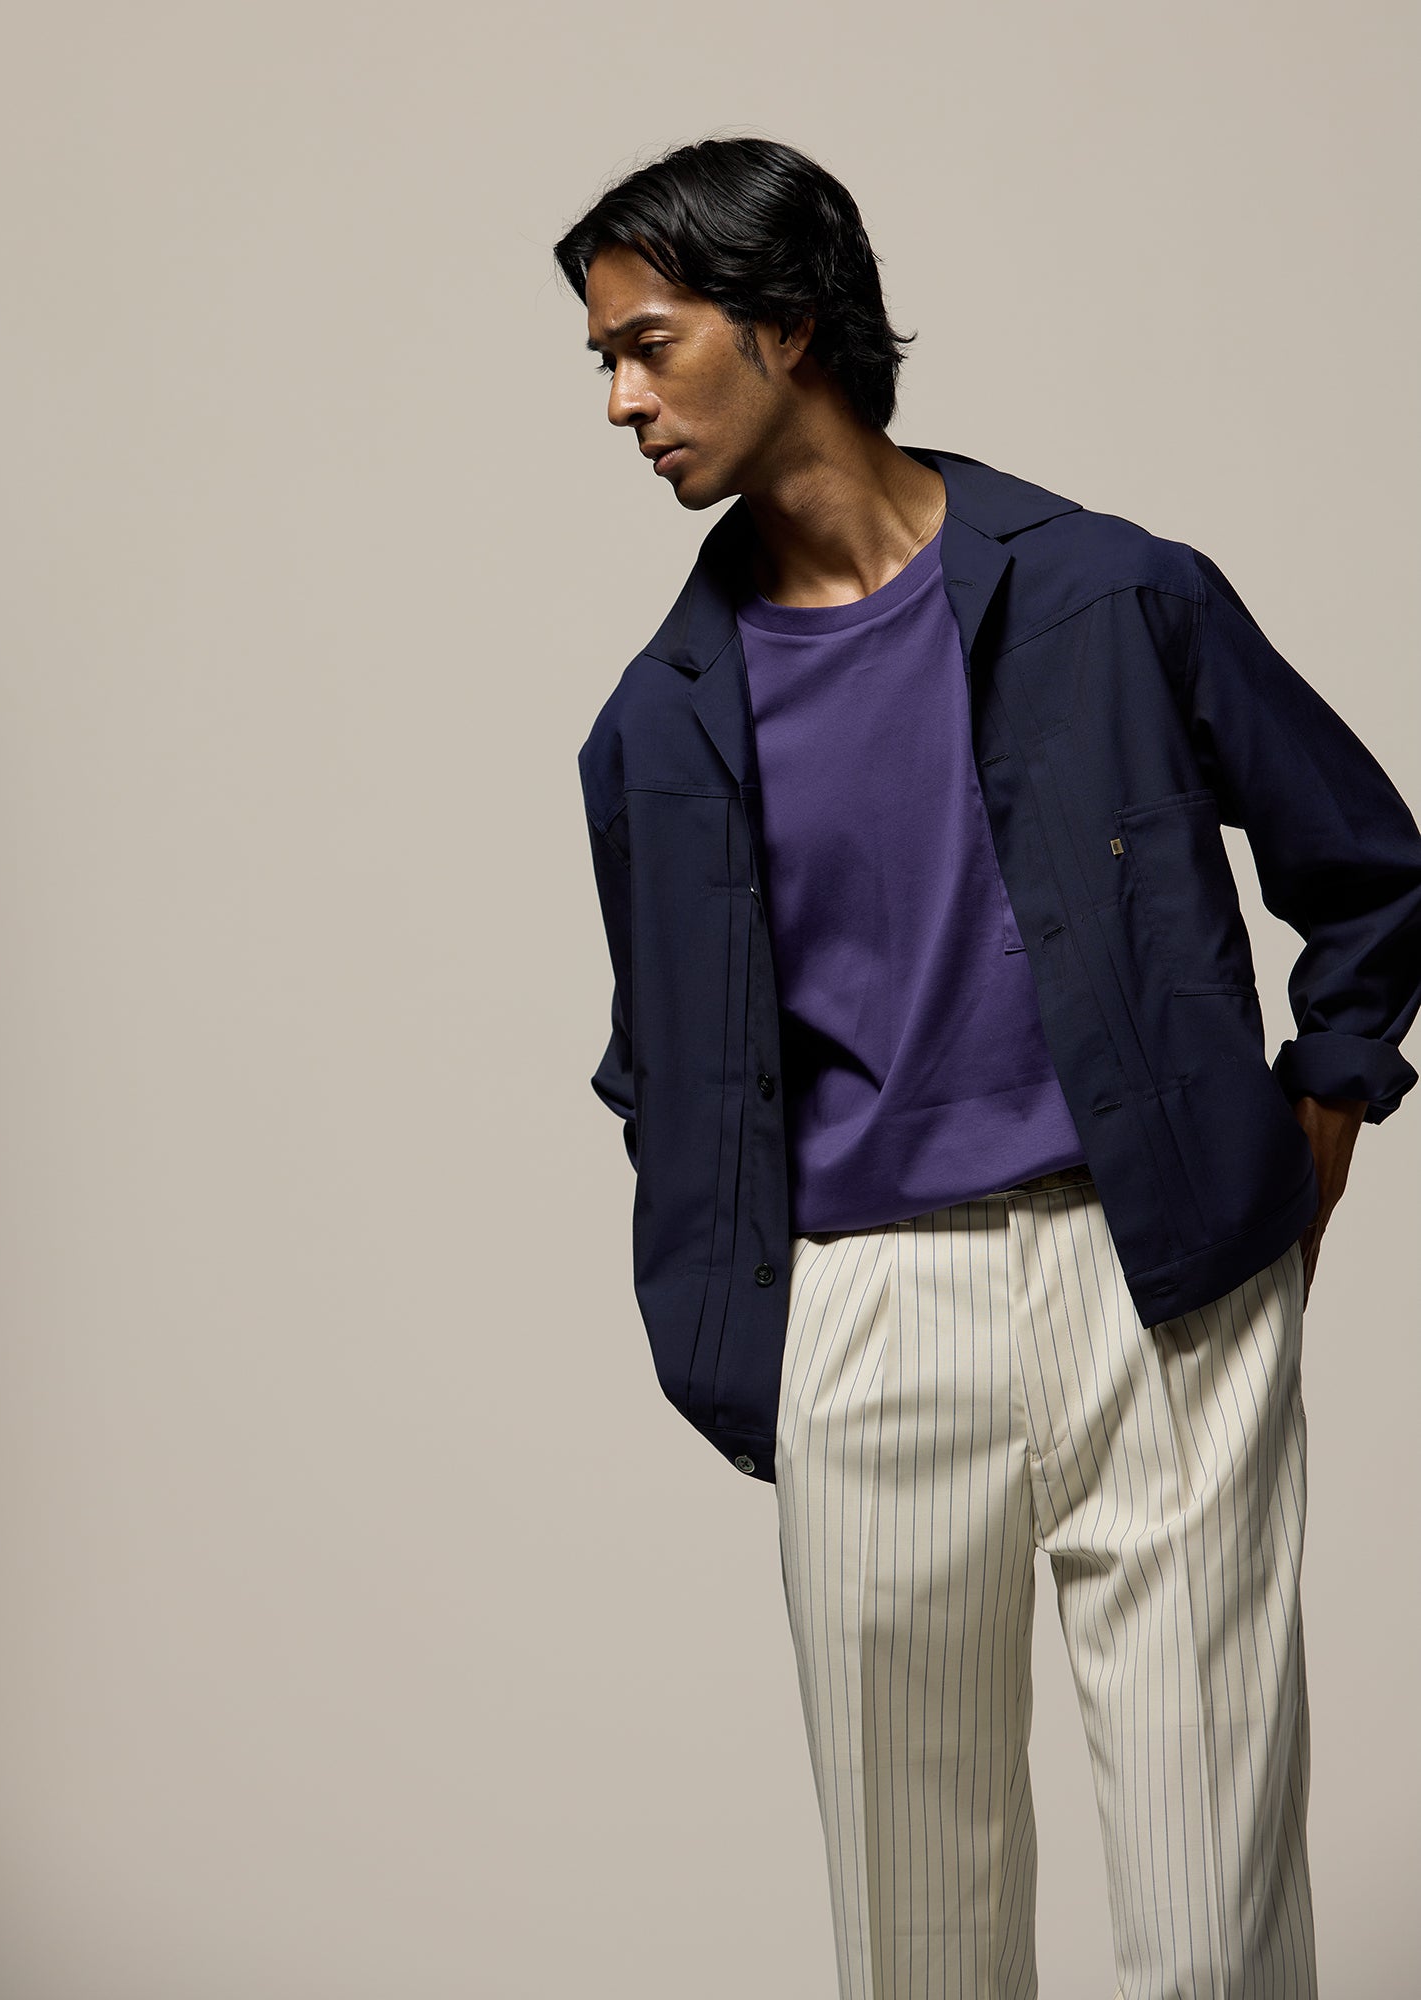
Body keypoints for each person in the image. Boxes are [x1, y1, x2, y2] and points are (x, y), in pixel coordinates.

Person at [554, 135, 1421, 2000]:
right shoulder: (655, 728)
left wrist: (1325, 1103)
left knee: (1213, 1924)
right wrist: (759, 1322)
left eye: (647, 345)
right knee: (921, 1945)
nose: (620, 401)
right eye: (604, 362)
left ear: (788, 326)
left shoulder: (1112, 594)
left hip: (1164, 1284)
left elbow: (1367, 866)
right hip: (866, 1317)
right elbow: (666, 1065)